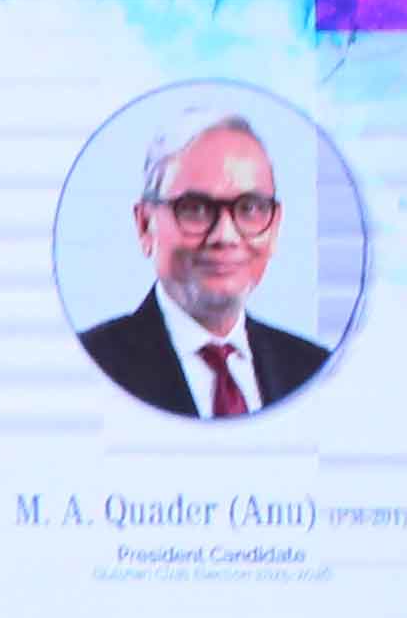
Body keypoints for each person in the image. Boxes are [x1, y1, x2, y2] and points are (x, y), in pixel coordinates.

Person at [76, 112, 334, 421]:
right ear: (145, 225)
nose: (225, 236)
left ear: (275, 226)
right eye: (195, 209)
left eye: (249, 208)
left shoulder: (314, 368)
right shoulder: (89, 364)